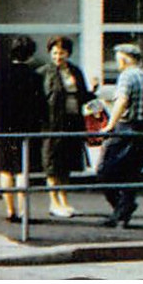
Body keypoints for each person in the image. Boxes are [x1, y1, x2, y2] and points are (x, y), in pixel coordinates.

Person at [94, 43, 143, 228]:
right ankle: (122, 214)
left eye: (117, 58)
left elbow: (122, 101)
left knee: (105, 171)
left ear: (124, 58)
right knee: (131, 174)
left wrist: (110, 125)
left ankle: (121, 208)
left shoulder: (126, 77)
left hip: (126, 129)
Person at [0, 36, 46, 222]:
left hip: (3, 129)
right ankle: (23, 213)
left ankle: (10, 211)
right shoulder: (34, 77)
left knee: (5, 170)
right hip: (26, 130)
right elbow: (40, 106)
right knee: (22, 171)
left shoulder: (0, 75)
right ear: (30, 54)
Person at [37, 34, 90, 218]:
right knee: (52, 163)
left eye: (62, 53)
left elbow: (83, 95)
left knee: (66, 164)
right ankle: (54, 202)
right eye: (55, 53)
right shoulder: (44, 72)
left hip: (72, 121)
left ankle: (65, 201)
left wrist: (94, 93)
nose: (58, 57)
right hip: (51, 124)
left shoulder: (75, 71)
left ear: (68, 53)